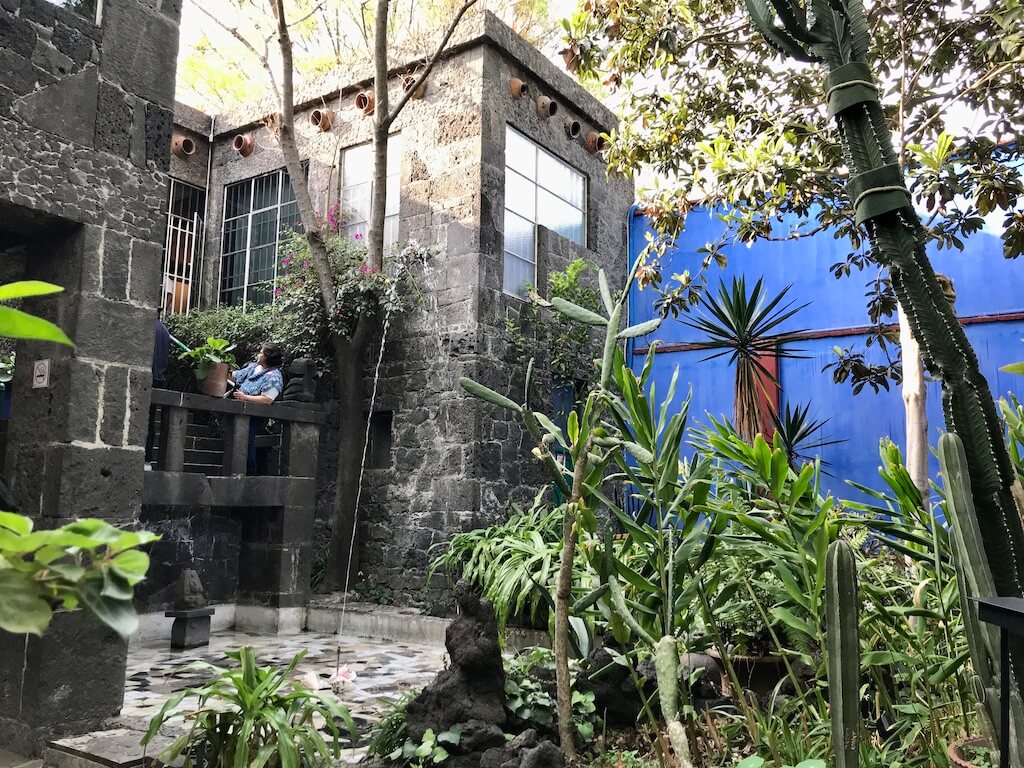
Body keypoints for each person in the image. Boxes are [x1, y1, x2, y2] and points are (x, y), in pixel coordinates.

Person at [230, 342, 285, 474]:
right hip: (239, 410)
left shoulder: (274, 376)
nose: (258, 354)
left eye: (261, 352)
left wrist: (246, 398)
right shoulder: (253, 367)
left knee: (246, 440)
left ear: (267, 356)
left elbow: (268, 399)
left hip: (255, 415)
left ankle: (250, 471)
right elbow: (235, 375)